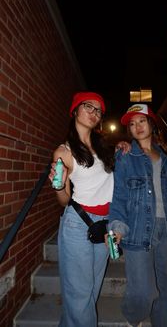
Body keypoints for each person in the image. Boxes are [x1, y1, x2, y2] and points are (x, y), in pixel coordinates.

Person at [107, 104, 167, 327]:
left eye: (141, 121)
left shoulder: (165, 158)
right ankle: (132, 319)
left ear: (151, 124)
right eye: (132, 124)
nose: (137, 126)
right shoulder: (126, 155)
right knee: (143, 292)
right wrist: (116, 227)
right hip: (137, 228)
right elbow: (120, 195)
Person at [49, 91, 115, 327]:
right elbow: (64, 200)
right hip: (78, 223)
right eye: (88, 106)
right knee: (79, 294)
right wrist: (58, 185)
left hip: (105, 223)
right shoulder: (64, 152)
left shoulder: (103, 146)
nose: (94, 113)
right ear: (75, 110)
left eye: (98, 110)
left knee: (92, 289)